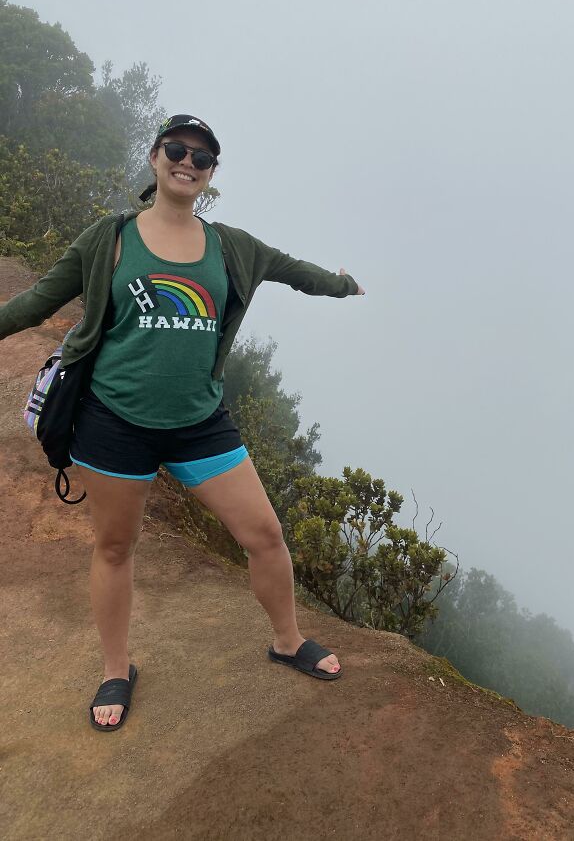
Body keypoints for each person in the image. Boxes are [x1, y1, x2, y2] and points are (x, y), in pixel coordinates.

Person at [0, 114, 364, 732]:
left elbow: (292, 269)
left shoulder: (230, 246)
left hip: (201, 422)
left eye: (201, 156)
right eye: (177, 149)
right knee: (115, 547)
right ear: (154, 157)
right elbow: (39, 302)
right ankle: (117, 668)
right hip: (114, 422)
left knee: (265, 535)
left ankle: (286, 639)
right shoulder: (108, 239)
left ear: (211, 173)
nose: (187, 161)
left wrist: (341, 285)